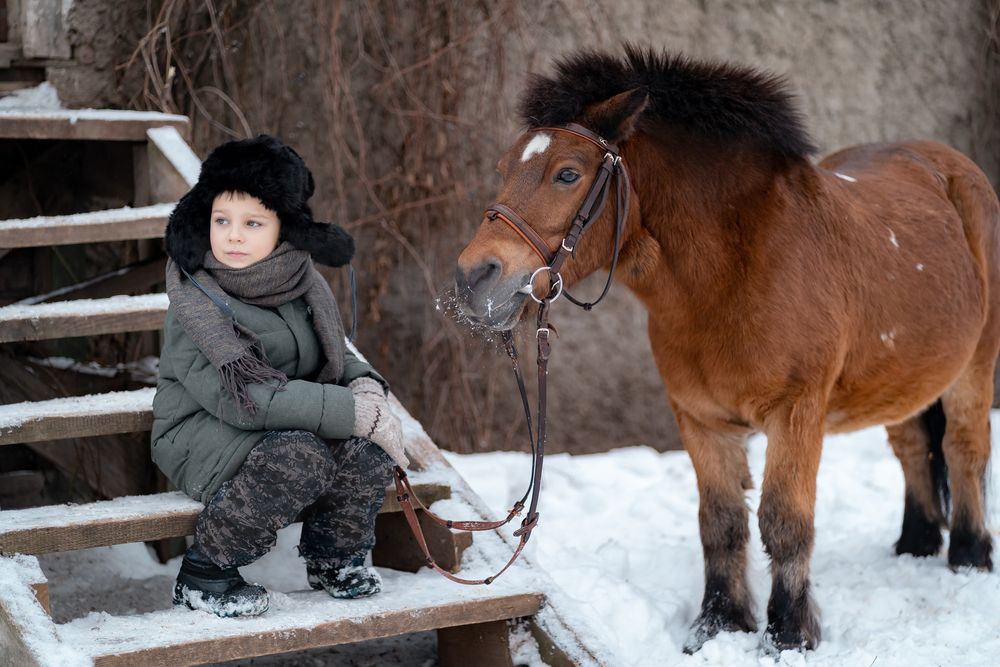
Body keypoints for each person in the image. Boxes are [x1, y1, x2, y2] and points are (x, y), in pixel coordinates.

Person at [150, 135, 408, 618]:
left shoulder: (298, 281)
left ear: (283, 230)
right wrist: (351, 412)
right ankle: (206, 572)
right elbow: (244, 395)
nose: (233, 236)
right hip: (202, 428)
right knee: (301, 454)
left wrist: (365, 385)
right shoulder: (196, 301)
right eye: (222, 221)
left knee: (366, 449)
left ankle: (333, 558)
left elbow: (332, 354)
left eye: (253, 223)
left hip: (280, 422)